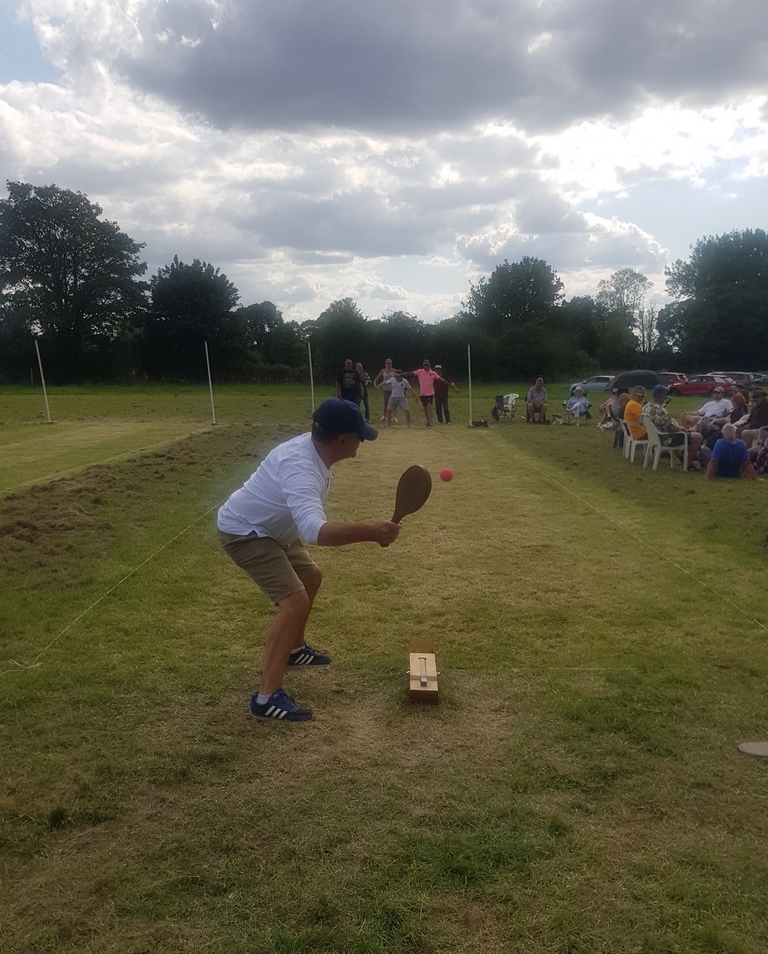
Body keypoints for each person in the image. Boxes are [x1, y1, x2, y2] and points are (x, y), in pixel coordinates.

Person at [217, 399, 401, 722]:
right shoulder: (300, 467)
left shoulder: (314, 451)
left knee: (311, 577)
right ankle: (265, 697)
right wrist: (372, 531)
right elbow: (316, 531)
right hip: (246, 532)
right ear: (342, 441)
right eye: (359, 436)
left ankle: (294, 650)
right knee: (294, 602)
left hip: (274, 530)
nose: (362, 441)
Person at [644, 385, 705, 468]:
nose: (665, 397)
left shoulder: (646, 407)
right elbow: (673, 429)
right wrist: (684, 429)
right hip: (666, 439)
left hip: (655, 437)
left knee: (690, 436)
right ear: (661, 396)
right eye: (665, 395)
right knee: (698, 437)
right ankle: (688, 463)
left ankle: (690, 459)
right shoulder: (659, 411)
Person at [407, 360, 451, 427]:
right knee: (425, 409)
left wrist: (450, 385)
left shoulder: (433, 373)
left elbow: (442, 380)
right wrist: (400, 375)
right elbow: (410, 374)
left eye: (427, 365)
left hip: (430, 393)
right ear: (423, 366)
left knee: (429, 407)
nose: (426, 366)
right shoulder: (420, 372)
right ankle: (428, 422)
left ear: (429, 366)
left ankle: (430, 422)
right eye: (425, 365)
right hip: (423, 393)